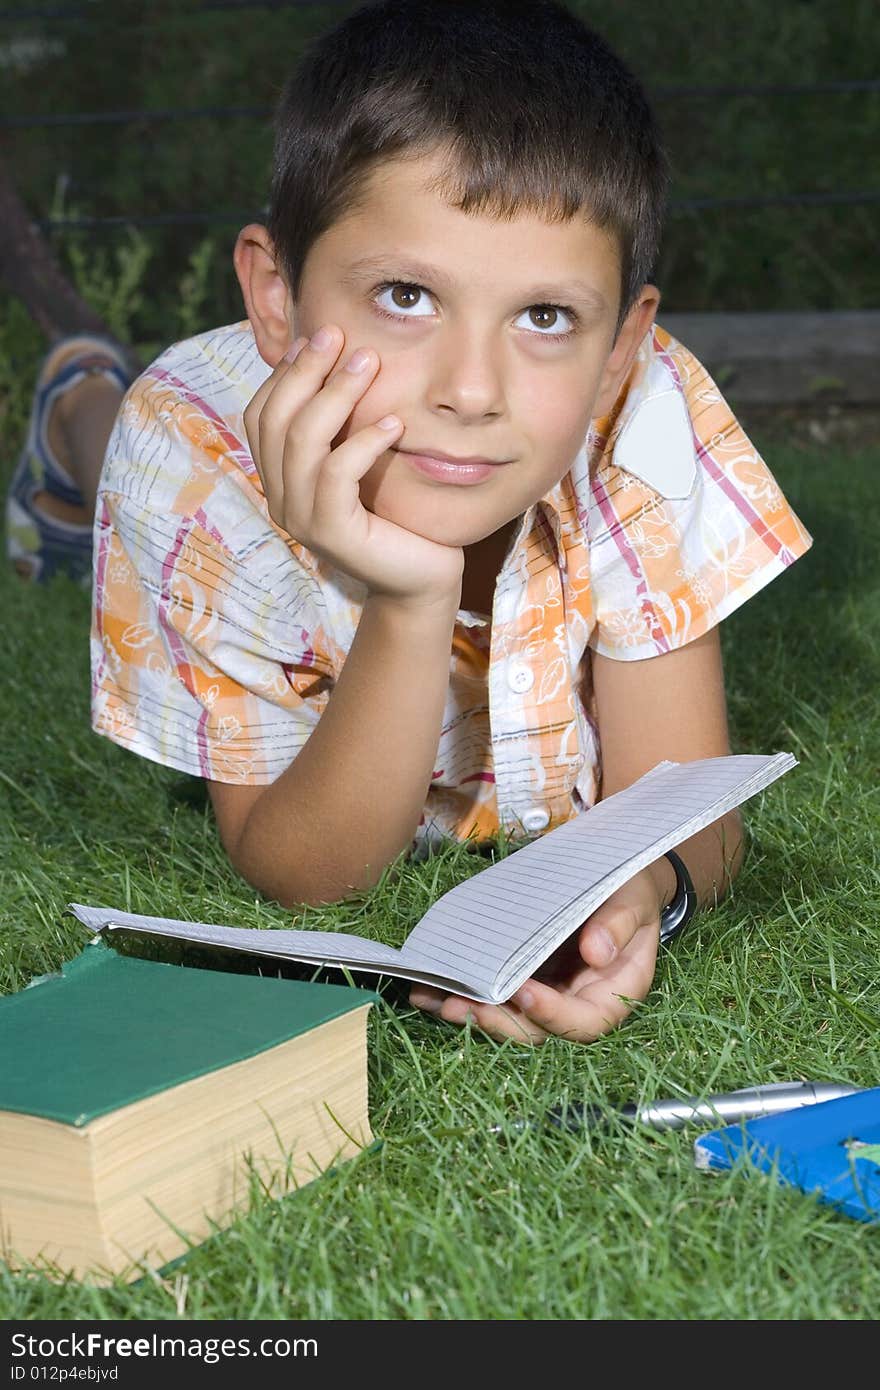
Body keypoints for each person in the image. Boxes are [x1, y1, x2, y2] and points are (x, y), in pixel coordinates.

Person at [10, 0, 813, 1044]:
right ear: (278, 295)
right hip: (171, 429)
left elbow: (686, 804)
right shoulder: (190, 457)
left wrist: (643, 888)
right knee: (116, 423)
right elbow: (302, 873)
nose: (471, 390)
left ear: (620, 346)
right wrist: (409, 595)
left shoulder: (642, 419)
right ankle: (77, 389)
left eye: (544, 317)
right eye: (404, 294)